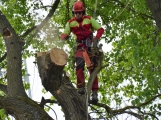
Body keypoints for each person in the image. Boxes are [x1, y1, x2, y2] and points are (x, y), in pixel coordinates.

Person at [60, 1, 104, 102]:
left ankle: (94, 92)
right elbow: (65, 33)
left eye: (79, 12)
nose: (77, 15)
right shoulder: (71, 22)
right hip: (80, 47)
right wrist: (62, 37)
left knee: (92, 68)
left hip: (90, 47)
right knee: (79, 67)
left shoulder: (88, 19)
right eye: (76, 13)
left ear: (83, 12)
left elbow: (100, 29)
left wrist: (96, 39)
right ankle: (81, 89)